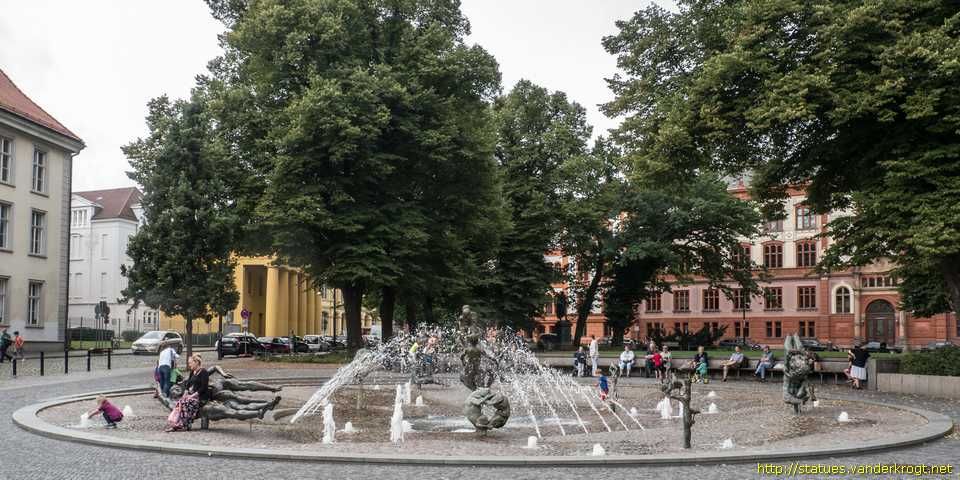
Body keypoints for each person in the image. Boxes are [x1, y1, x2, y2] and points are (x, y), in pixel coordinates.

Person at [166, 354, 208, 432]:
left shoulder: (204, 372)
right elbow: (188, 384)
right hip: (191, 395)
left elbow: (204, 387)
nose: (189, 365)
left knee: (185, 403)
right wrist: (185, 393)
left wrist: (192, 395)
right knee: (180, 402)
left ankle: (184, 424)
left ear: (196, 362)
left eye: (190, 363)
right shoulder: (192, 371)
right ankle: (176, 424)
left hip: (200, 397)